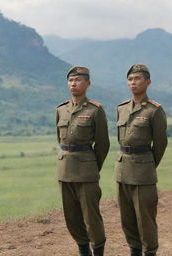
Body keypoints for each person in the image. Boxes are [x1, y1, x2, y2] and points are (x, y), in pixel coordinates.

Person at [56, 66, 110, 256]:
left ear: (88, 84)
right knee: (71, 217)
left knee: (91, 217)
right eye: (70, 80)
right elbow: (61, 141)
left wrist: (93, 167)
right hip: (65, 170)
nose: (73, 84)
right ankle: (83, 251)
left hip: (86, 172)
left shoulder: (95, 110)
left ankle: (98, 251)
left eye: (78, 80)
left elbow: (103, 144)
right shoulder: (61, 109)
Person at [114, 64, 168, 256]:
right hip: (122, 170)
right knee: (127, 219)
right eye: (130, 79)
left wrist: (148, 165)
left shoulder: (154, 110)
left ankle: (150, 252)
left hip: (143, 172)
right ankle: (134, 251)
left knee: (145, 219)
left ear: (148, 82)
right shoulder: (121, 108)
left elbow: (160, 144)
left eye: (137, 79)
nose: (133, 83)